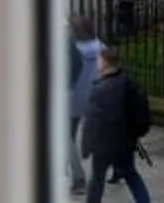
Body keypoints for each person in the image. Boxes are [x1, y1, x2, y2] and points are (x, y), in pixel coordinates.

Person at [81, 40, 155, 203]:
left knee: (97, 180)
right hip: (125, 142)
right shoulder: (129, 84)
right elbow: (141, 112)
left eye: (99, 60)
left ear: (105, 64)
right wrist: (135, 133)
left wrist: (86, 146)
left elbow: (92, 123)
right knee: (131, 174)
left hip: (103, 145)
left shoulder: (98, 91)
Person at [64, 18, 104, 194]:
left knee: (66, 136)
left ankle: (78, 179)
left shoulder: (72, 50)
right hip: (94, 97)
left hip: (73, 98)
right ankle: (120, 168)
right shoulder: (100, 47)